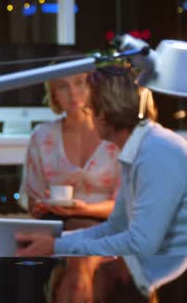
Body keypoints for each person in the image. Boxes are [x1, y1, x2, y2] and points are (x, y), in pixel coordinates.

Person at [16, 65, 187, 303]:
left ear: (105, 114)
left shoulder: (155, 151)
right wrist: (55, 240)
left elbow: (140, 243)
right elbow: (116, 225)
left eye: (91, 108)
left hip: (151, 270)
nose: (90, 115)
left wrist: (58, 245)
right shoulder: (136, 148)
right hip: (136, 267)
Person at [20, 72, 120, 230]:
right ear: (54, 95)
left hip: (107, 227)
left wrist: (85, 210)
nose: (72, 93)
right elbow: (34, 205)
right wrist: (43, 206)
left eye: (79, 82)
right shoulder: (42, 136)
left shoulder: (115, 134)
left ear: (93, 87)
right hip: (58, 225)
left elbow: (125, 207)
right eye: (62, 86)